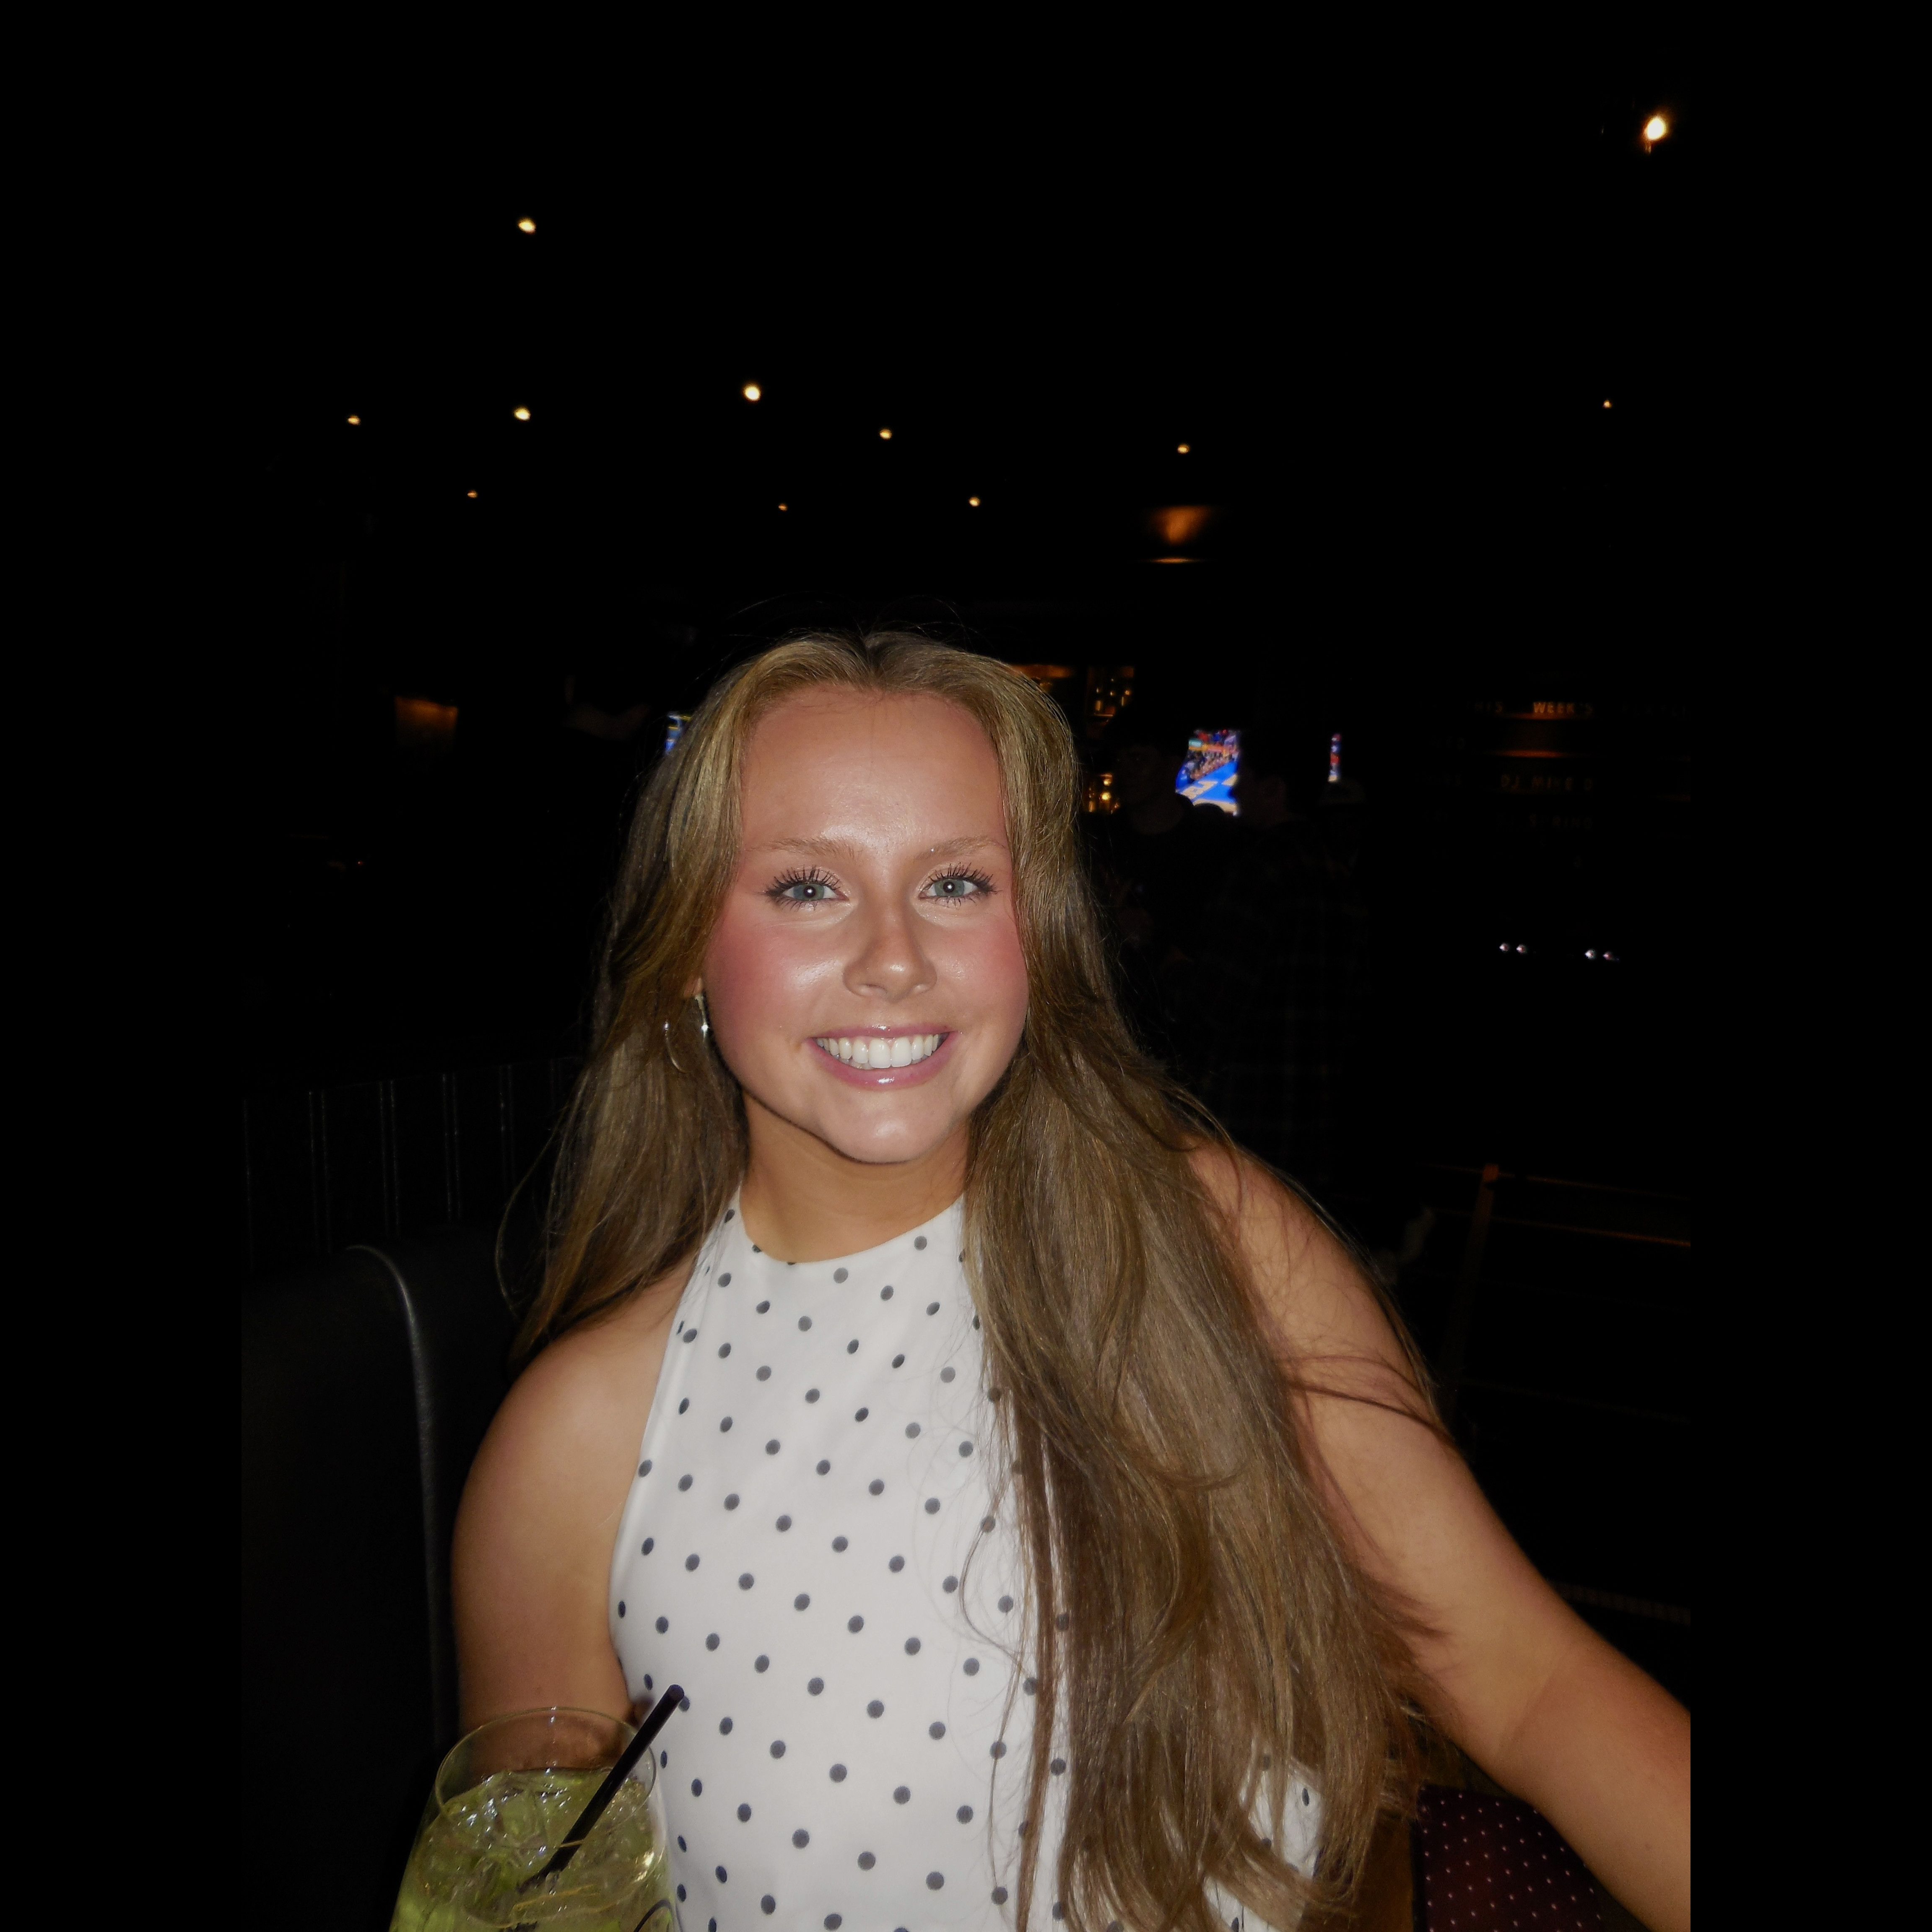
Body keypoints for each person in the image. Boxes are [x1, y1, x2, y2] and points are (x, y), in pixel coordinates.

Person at [454, 633, 1690, 1932]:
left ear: (1035, 934)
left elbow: (1529, 1686)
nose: (893, 957)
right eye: (807, 887)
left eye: (957, 883)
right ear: (687, 950)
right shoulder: (578, 1440)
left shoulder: (1212, 1245)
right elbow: (535, 1899)